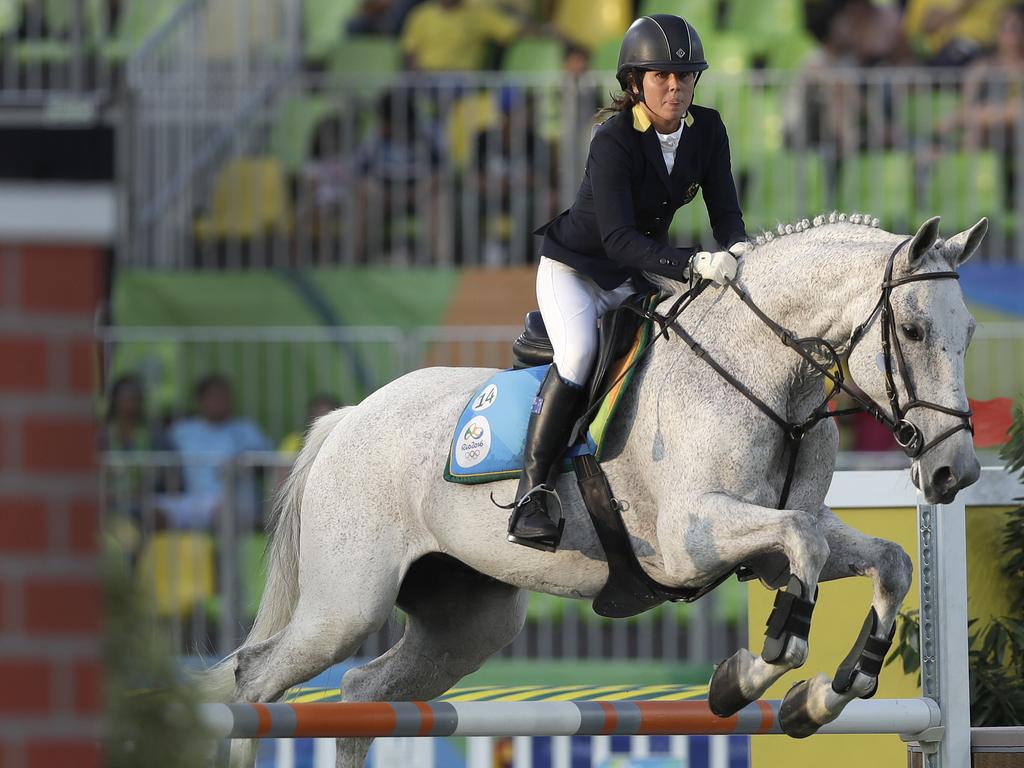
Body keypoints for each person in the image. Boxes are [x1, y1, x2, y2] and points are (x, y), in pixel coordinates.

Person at [505, 14, 750, 552]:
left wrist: (738, 249)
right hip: (577, 269)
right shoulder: (613, 140)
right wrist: (690, 265)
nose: (675, 87)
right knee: (579, 355)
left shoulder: (708, 130)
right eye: (662, 76)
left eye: (685, 77)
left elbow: (726, 212)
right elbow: (615, 239)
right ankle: (533, 491)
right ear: (635, 83)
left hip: (636, 272)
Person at [161, 374, 272, 530]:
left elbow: (269, 464)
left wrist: (242, 465)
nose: (220, 401)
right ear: (200, 401)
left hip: (235, 504)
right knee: (153, 512)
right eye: (214, 396)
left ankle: (222, 553)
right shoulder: (181, 431)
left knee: (224, 513)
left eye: (224, 396)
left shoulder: (246, 429)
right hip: (195, 503)